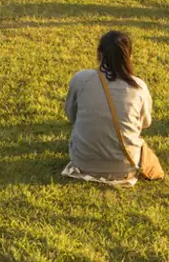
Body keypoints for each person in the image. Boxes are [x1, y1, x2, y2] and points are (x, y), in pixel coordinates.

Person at [62, 30, 162, 185]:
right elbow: (145, 123)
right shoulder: (138, 87)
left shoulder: (81, 79)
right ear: (130, 56)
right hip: (125, 167)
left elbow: (71, 115)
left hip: (82, 162)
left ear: (99, 54)